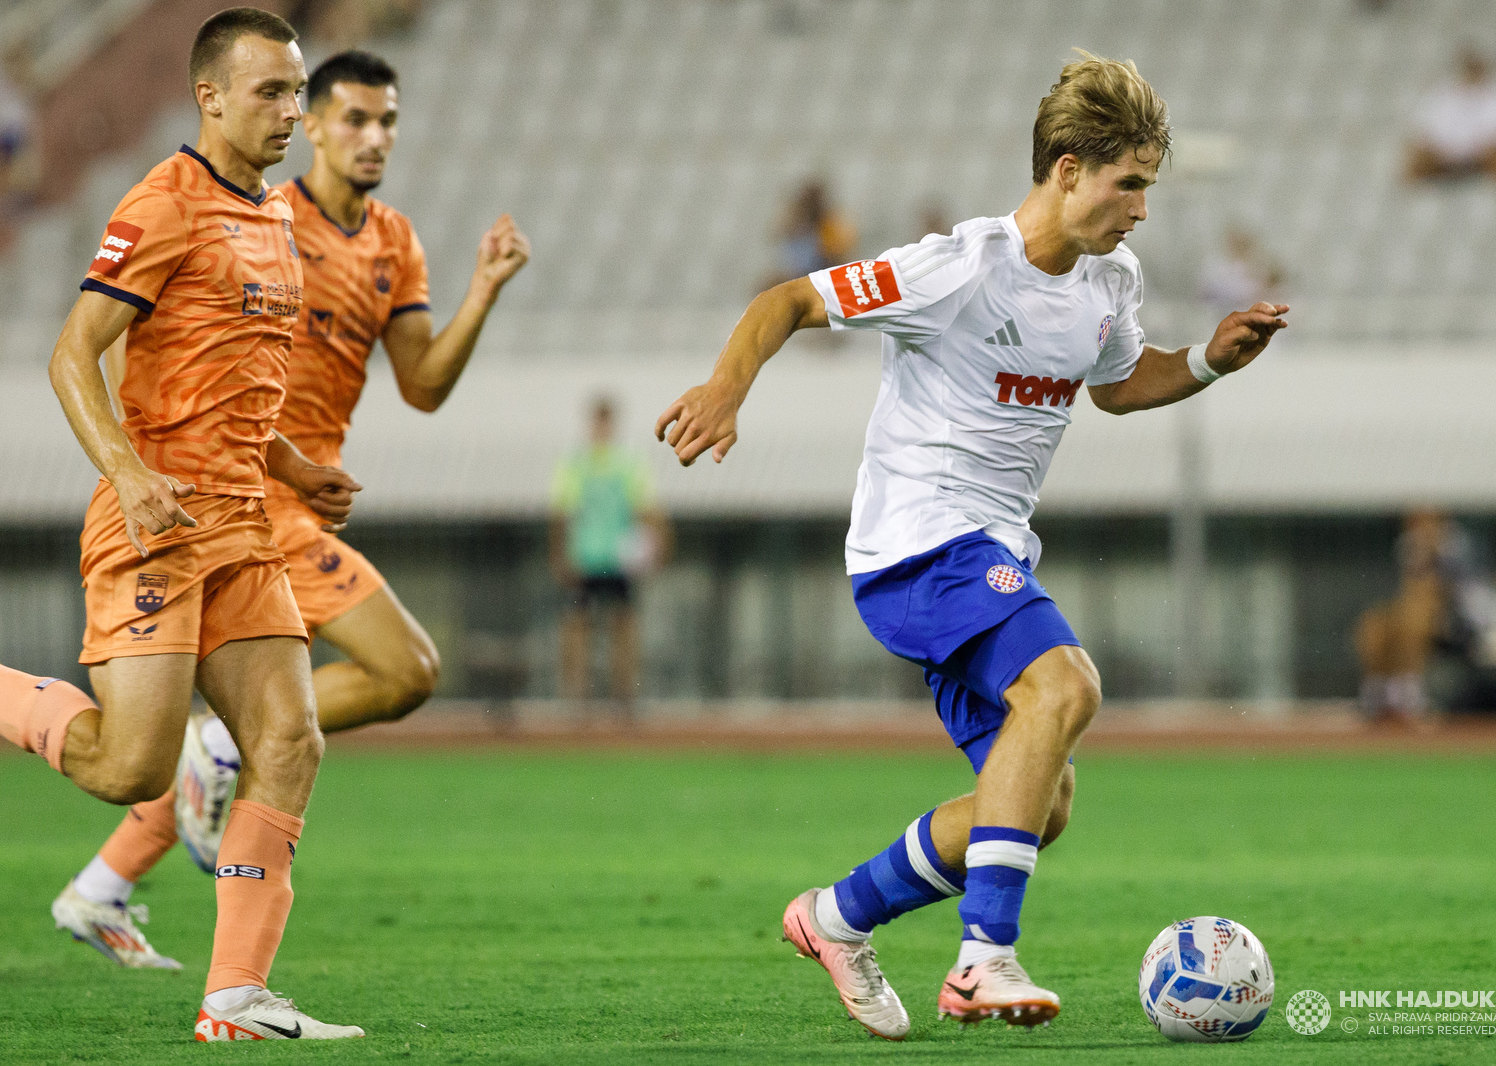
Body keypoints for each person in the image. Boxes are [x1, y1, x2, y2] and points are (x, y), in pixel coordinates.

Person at [656, 51, 1288, 1038]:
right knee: (1065, 684)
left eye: (1148, 188)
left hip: (984, 556)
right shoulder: (956, 267)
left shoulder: (1111, 282)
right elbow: (787, 300)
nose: (1141, 210)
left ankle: (835, 915)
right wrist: (725, 388)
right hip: (917, 542)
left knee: (1042, 801)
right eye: (1130, 185)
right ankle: (981, 959)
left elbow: (1117, 385)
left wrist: (1210, 359)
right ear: (1068, 168)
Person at [59, 47, 530, 968]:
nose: (372, 137)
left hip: (281, 489)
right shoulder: (231, 207)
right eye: (350, 117)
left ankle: (116, 897)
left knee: (270, 735)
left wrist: (482, 291)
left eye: (386, 120)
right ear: (312, 127)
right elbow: (123, 347)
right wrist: (135, 462)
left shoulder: (387, 240)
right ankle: (191, 778)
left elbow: (424, 385)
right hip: (227, 495)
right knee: (395, 672)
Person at [0, 9, 366, 1040]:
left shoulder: (275, 216)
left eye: (297, 92)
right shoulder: (161, 204)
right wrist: (127, 471)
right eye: (270, 92)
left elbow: (241, 377)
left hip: (245, 529)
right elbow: (73, 354)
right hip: (153, 527)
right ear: (210, 96)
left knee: (289, 741)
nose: (291, 111)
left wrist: (296, 465)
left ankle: (234, 997)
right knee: (133, 769)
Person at [551, 398, 670, 704]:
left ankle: (624, 696)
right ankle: (577, 697)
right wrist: (561, 555)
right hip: (585, 558)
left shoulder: (628, 463)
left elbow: (646, 507)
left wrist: (657, 545)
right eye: (597, 421)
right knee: (578, 626)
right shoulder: (576, 463)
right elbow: (563, 513)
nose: (601, 428)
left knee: (623, 625)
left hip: (619, 560)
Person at [1354, 509, 1496, 720]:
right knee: (1374, 625)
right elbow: (1410, 589)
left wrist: (1435, 554)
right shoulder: (1410, 545)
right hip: (1419, 615)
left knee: (1417, 618)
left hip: (1461, 621)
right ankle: (1376, 692)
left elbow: (1460, 592)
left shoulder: (1458, 546)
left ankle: (1411, 693)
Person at [1406, 48, 1496, 184]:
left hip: (1486, 157)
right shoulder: (1443, 93)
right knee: (1415, 160)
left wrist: (1475, 151)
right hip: (1445, 158)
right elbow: (1425, 131)